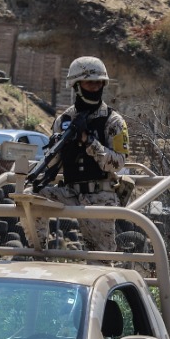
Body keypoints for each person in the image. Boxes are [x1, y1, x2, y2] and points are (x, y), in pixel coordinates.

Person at [30, 56, 130, 252]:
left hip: (100, 195)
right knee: (31, 197)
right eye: (88, 82)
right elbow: (53, 163)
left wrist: (89, 142)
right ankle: (37, 251)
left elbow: (118, 164)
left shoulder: (113, 120)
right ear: (76, 85)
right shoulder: (64, 120)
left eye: (98, 82)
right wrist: (58, 145)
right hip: (70, 192)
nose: (94, 87)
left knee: (100, 258)